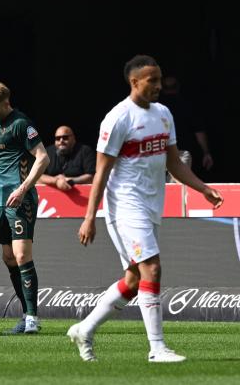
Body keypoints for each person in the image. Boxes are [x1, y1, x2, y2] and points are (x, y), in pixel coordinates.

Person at [69, 55, 224, 362]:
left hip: (152, 204)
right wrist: (89, 217)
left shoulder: (164, 114)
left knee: (134, 279)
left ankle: (84, 329)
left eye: (159, 79)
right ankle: (157, 349)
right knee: (152, 268)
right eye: (152, 80)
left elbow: (174, 163)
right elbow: (101, 173)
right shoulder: (118, 118)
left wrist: (203, 189)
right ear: (134, 82)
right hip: (125, 206)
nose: (158, 85)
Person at [0, 81, 50, 334]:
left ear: (6, 103)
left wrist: (22, 189)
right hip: (1, 199)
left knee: (22, 256)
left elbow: (43, 157)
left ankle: (32, 317)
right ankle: (25, 313)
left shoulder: (22, 123)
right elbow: (7, 154)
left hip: (21, 198)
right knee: (8, 257)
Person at [39, 125, 95, 191]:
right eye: (58, 138)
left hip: (80, 193)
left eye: (65, 137)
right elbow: (37, 176)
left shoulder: (85, 151)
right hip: (50, 196)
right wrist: (56, 181)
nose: (61, 141)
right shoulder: (47, 152)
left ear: (73, 138)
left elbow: (91, 176)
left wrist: (70, 180)